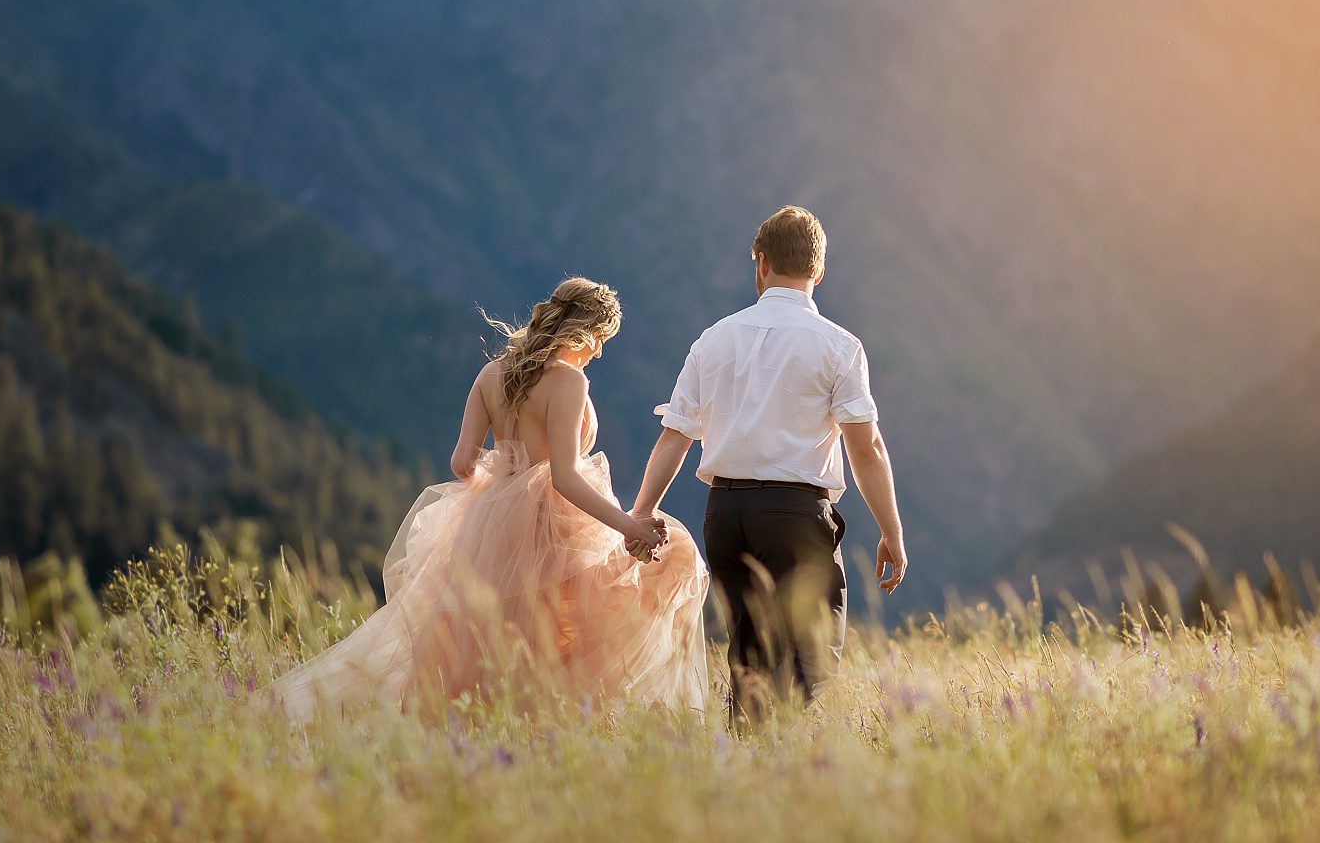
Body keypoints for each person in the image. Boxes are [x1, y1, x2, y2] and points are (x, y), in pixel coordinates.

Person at [270, 277, 709, 720]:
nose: (598, 353)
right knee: (666, 562)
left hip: (490, 527)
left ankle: (465, 724)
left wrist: (506, 479)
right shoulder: (568, 382)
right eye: (600, 340)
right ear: (584, 332)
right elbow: (564, 477)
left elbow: (462, 463)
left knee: (487, 636)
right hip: (555, 531)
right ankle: (551, 721)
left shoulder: (491, 374)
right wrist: (629, 525)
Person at [628, 206, 907, 727]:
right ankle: (772, 739)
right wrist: (891, 531)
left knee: (749, 654)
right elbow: (866, 447)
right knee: (815, 651)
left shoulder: (713, 338)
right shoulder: (839, 346)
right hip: (795, 516)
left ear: (761, 263)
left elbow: (675, 436)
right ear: (818, 271)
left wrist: (641, 513)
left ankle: (748, 752)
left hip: (724, 515)